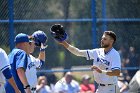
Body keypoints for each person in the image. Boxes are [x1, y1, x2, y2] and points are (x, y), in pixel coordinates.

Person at [50, 25, 121, 93]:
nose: (102, 40)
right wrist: (64, 43)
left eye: (105, 39)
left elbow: (117, 72)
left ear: (111, 41)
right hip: (100, 88)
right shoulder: (97, 52)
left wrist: (101, 71)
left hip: (111, 88)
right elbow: (78, 52)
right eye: (102, 38)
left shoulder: (114, 54)